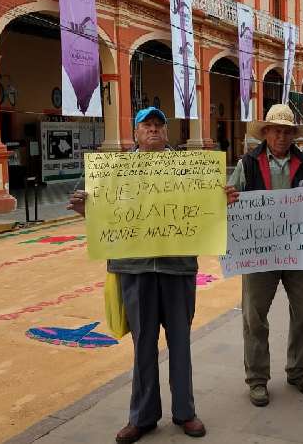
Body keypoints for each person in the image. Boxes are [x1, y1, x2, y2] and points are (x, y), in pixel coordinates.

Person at [67, 107, 239, 444]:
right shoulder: (113, 169)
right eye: (148, 125)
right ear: (136, 131)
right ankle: (142, 417)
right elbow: (93, 206)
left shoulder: (189, 167)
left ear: (167, 132)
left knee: (180, 343)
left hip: (178, 269)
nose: (155, 130)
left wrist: (222, 201)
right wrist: (82, 206)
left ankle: (185, 413)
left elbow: (204, 207)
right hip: (135, 269)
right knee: (142, 344)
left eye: (160, 125)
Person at [228, 103, 303, 407]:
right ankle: (257, 379)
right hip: (259, 253)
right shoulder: (247, 163)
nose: (282, 136)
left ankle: (299, 370)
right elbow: (228, 198)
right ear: (266, 132)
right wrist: (227, 197)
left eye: (287, 131)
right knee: (254, 315)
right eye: (277, 130)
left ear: (293, 135)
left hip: (297, 252)